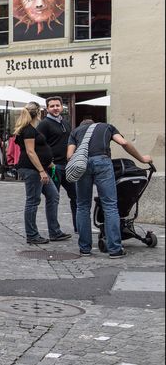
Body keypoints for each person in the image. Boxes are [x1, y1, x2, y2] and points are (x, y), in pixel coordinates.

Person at [67, 118, 153, 258]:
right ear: (94, 123)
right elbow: (123, 142)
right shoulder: (107, 127)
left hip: (81, 165)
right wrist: (142, 159)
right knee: (110, 206)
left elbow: (69, 156)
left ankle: (85, 249)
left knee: (82, 206)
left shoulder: (75, 132)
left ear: (82, 126)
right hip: (102, 162)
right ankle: (115, 250)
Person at [12, 104, 70, 245]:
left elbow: (37, 149)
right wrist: (41, 171)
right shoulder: (29, 130)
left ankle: (55, 232)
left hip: (39, 168)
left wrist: (48, 164)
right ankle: (32, 235)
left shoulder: (29, 129)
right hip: (32, 170)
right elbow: (30, 152)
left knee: (53, 195)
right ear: (38, 113)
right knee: (32, 200)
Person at [36, 96, 78, 233]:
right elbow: (39, 146)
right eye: (52, 106)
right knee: (53, 199)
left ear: (62, 107)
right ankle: (54, 231)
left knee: (76, 197)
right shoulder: (44, 124)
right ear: (47, 108)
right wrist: (47, 164)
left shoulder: (65, 123)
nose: (55, 108)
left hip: (68, 166)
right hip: (53, 167)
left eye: (57, 105)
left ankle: (79, 227)